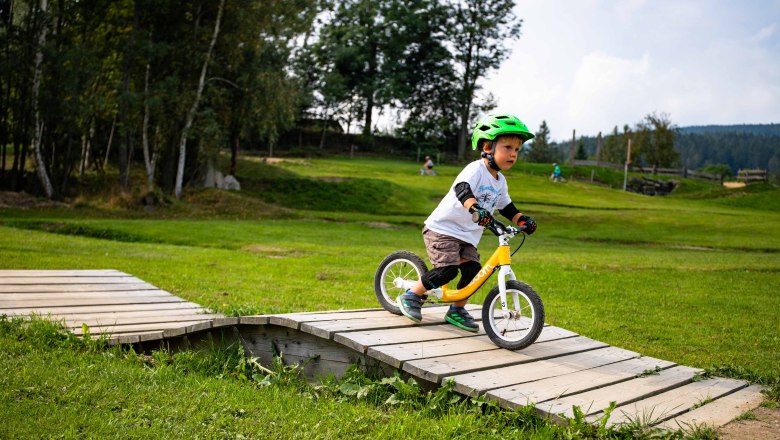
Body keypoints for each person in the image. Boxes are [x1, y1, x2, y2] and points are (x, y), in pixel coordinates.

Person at [397, 114, 538, 331]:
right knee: (448, 270)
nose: (513, 154)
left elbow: (506, 207)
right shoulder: (476, 169)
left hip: (466, 236)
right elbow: (462, 189)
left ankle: (457, 310)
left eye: (517, 150)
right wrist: (475, 208)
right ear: (488, 147)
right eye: (508, 147)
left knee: (473, 270)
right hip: (442, 229)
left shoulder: (500, 182)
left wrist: (522, 220)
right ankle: (411, 295)